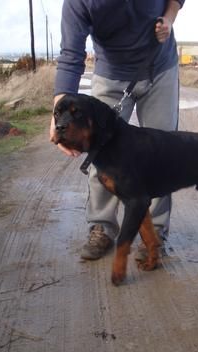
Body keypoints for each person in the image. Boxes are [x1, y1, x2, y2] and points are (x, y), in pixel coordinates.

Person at [50, 0, 184, 260]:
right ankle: (102, 226)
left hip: (160, 68)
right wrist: (58, 113)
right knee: (101, 154)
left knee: (163, 154)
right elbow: (71, 55)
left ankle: (154, 234)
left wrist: (169, 17)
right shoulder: (79, 3)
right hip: (110, 73)